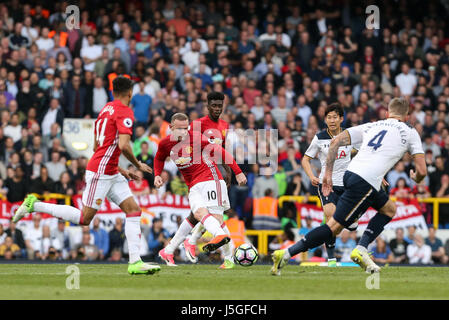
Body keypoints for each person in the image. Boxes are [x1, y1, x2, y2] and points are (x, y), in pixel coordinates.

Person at [13, 76, 160, 275]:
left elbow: (97, 146)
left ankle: (135, 262)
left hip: (110, 170)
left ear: (112, 92)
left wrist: (121, 170)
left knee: (133, 210)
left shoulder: (105, 110)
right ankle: (34, 205)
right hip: (100, 172)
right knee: (84, 218)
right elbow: (123, 145)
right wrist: (138, 164)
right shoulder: (125, 111)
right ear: (130, 93)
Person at [272, 97, 427, 275]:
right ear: (407, 116)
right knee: (334, 227)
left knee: (390, 209)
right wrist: (416, 177)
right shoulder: (410, 131)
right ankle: (286, 253)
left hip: (351, 175)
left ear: (387, 114)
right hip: (365, 182)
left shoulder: (372, 125)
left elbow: (335, 141)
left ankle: (360, 247)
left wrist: (327, 174)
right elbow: (422, 170)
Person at [154, 112, 246, 269]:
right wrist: (157, 175)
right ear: (171, 127)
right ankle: (171, 249)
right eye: (179, 129)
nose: (183, 132)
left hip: (210, 180)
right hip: (193, 185)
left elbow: (220, 151)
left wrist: (238, 171)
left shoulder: (196, 137)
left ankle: (216, 249)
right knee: (199, 216)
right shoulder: (165, 144)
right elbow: (159, 157)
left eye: (186, 128)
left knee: (213, 218)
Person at [301, 103, 359, 267]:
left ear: (341, 119)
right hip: (327, 184)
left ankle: (350, 222)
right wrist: (311, 175)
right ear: (325, 119)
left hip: (347, 184)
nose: (332, 120)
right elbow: (305, 159)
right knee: (331, 217)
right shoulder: (319, 138)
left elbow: (366, 151)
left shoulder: (350, 136)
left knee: (347, 225)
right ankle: (332, 259)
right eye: (328, 117)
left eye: (335, 117)